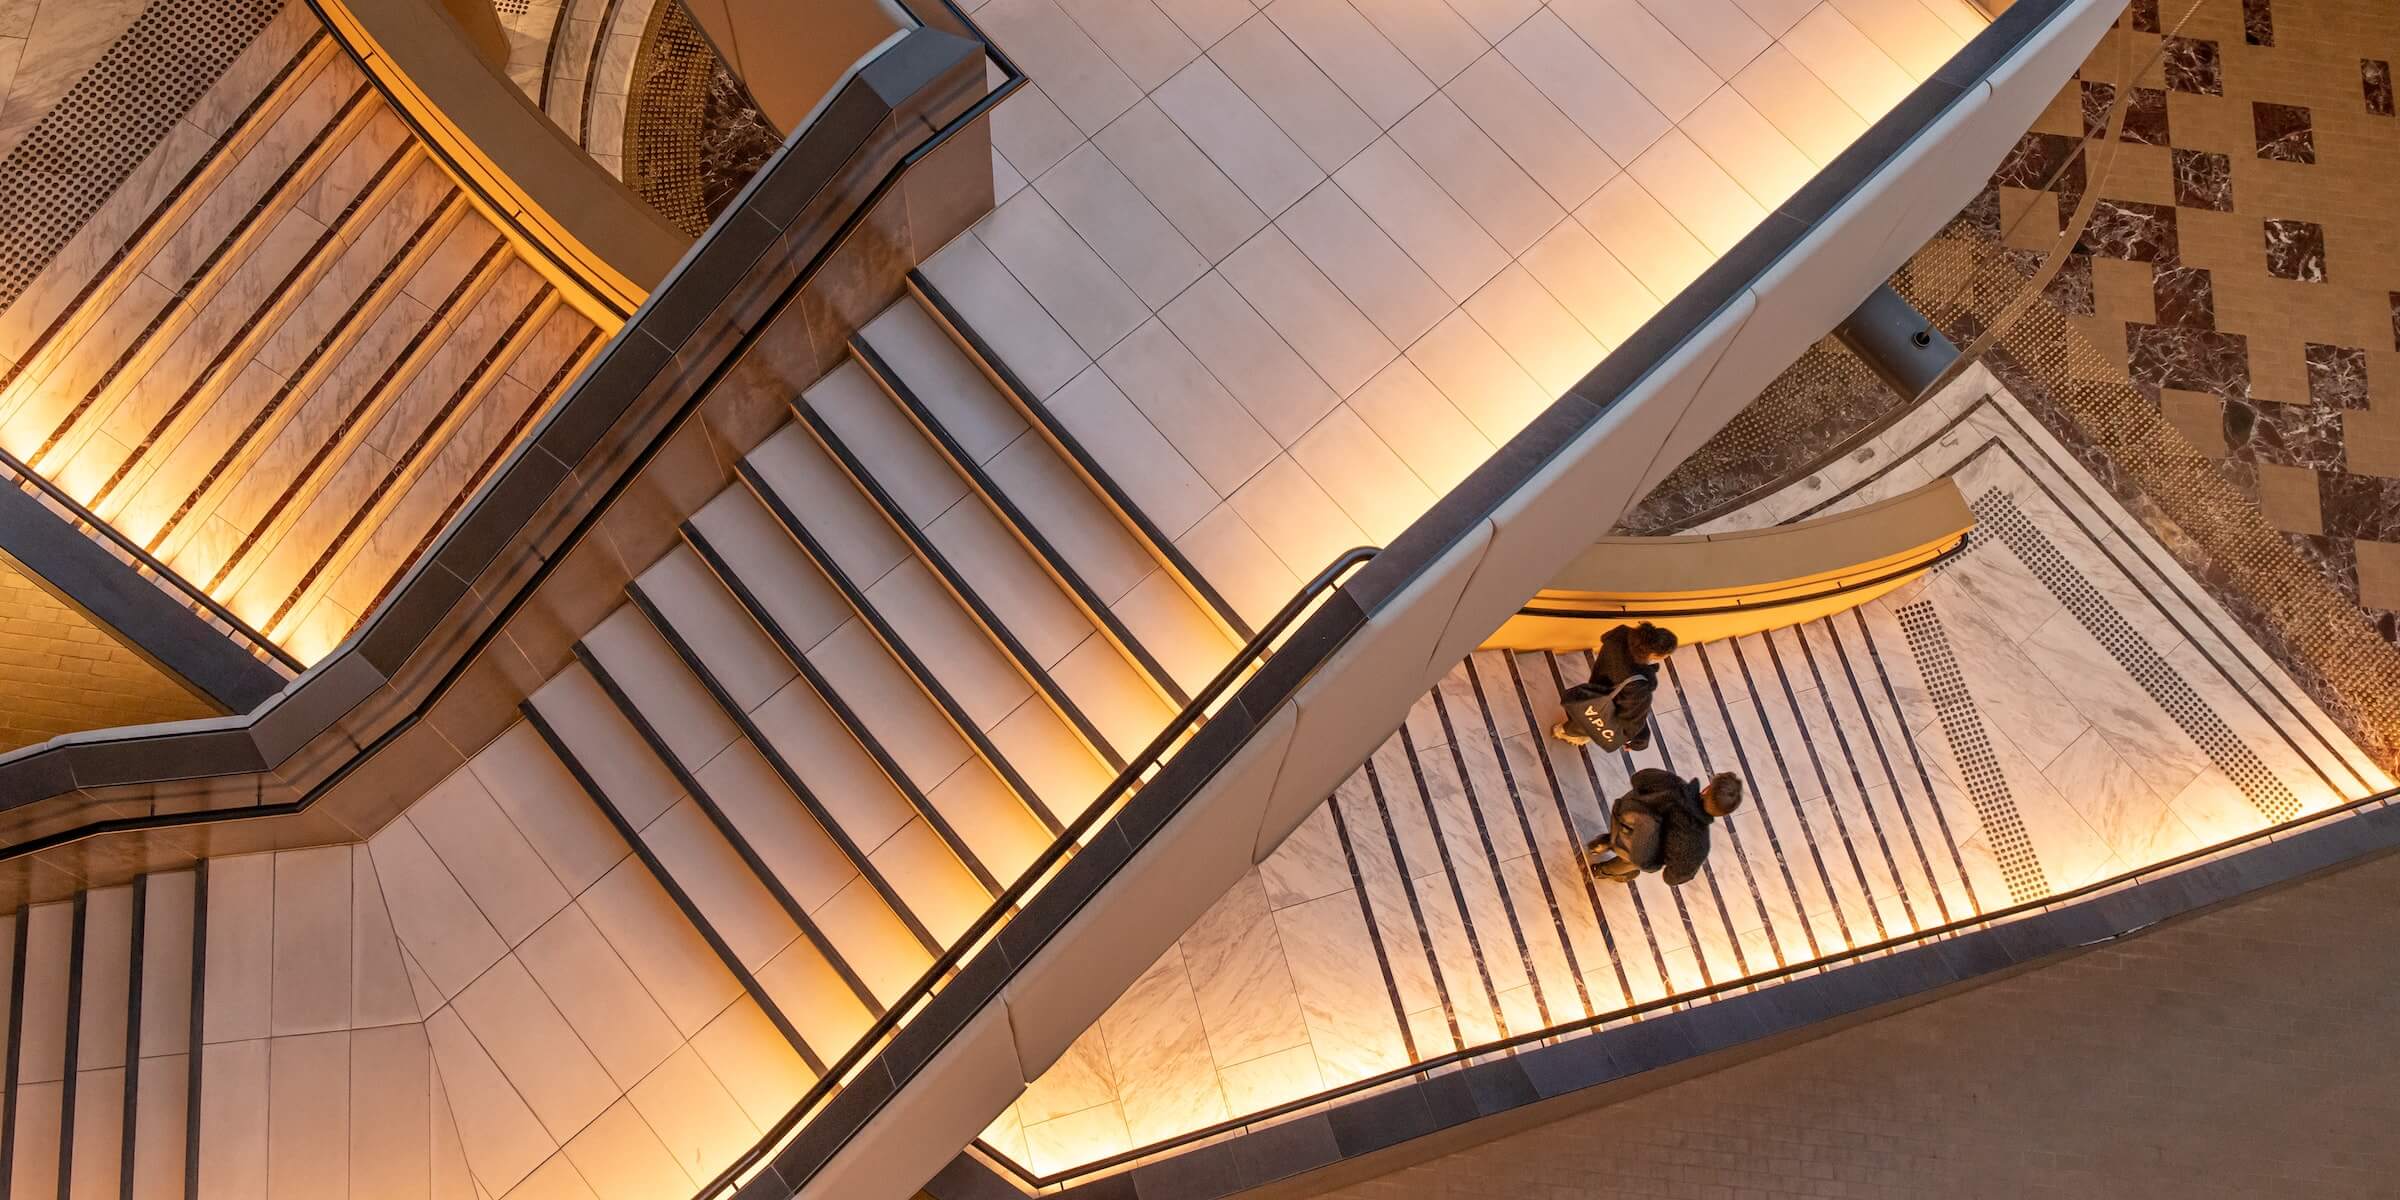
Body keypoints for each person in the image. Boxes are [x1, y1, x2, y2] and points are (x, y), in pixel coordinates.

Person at [1588, 770, 1744, 886]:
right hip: (1633, 850)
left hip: (1622, 815)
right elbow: (1671, 877)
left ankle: (1602, 844)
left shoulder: (1673, 784)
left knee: (1623, 834)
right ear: (1723, 813)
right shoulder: (1698, 846)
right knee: (1632, 863)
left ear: (1706, 790)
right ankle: (1600, 870)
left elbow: (1638, 779)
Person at [1551, 622, 1678, 749]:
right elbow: (1630, 724)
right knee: (1591, 720)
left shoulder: (1622, 632)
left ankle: (1570, 728)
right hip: (1603, 704)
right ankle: (1565, 732)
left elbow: (1604, 638)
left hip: (1594, 684)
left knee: (1586, 709)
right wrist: (1640, 743)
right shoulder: (1640, 686)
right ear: (1657, 655)